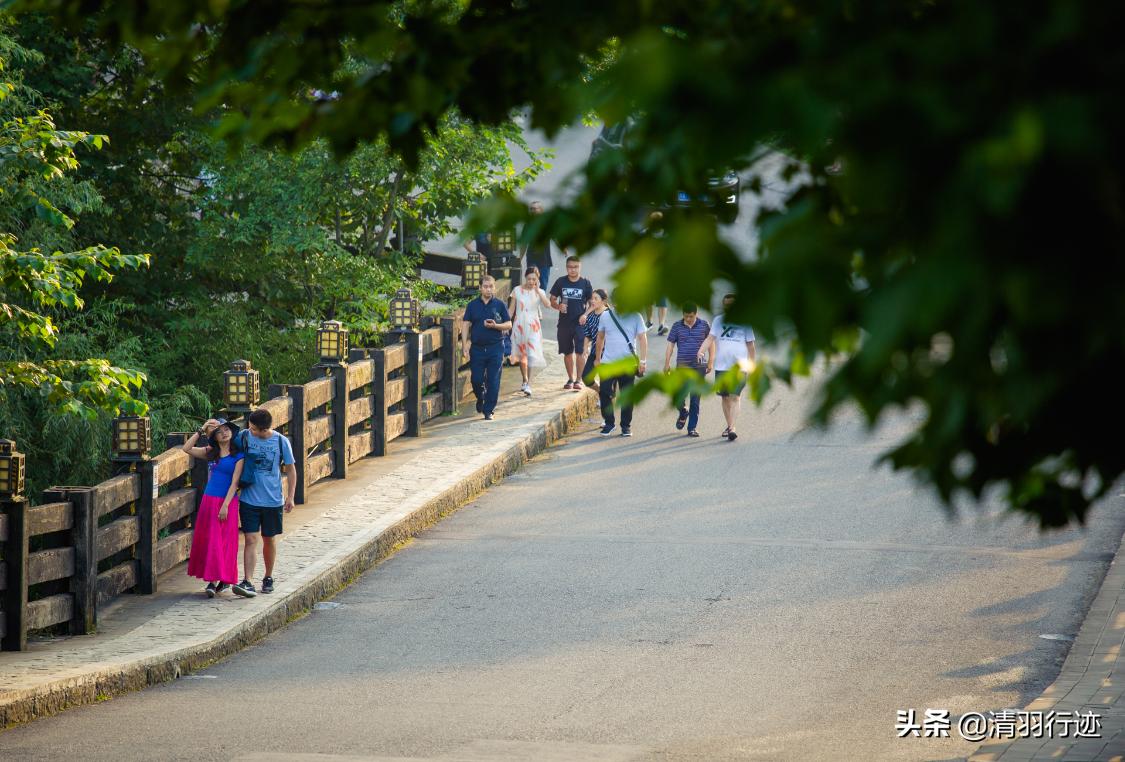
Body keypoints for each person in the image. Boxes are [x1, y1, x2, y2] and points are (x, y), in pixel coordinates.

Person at [234, 408, 297, 596]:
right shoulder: (244, 436)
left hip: (273, 500)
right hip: (248, 499)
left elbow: (291, 470)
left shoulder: (280, 441)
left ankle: (268, 577)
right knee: (250, 539)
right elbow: (224, 443)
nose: (250, 430)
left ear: (263, 429)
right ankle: (248, 581)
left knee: (269, 539)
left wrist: (291, 496)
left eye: (253, 428)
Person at [182, 418, 245, 597]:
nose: (224, 433)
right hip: (209, 501)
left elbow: (235, 483)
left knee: (224, 541)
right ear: (215, 437)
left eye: (226, 430)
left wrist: (225, 505)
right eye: (219, 431)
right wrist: (201, 430)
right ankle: (211, 581)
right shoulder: (211, 452)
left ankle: (223, 579)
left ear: (232, 433)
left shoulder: (238, 455)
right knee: (210, 540)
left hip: (227, 502)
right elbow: (186, 449)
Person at [698, 294, 757, 442]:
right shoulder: (718, 320)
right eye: (726, 304)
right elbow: (710, 338)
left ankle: (732, 428)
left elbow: (751, 345)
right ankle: (730, 425)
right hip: (721, 365)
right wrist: (701, 350)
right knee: (725, 397)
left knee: (735, 396)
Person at [594, 291, 648, 437]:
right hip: (608, 362)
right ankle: (609, 423)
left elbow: (642, 339)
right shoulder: (606, 316)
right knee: (604, 391)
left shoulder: (636, 316)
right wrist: (597, 358)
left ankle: (626, 426)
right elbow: (600, 338)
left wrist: (643, 361)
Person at [461, 275, 513, 419]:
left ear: (494, 288)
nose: (488, 289)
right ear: (480, 288)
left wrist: (496, 326)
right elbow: (465, 324)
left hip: (495, 347)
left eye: (491, 286)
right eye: (485, 286)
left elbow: (509, 324)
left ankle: (488, 410)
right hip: (477, 348)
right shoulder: (472, 305)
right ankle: (481, 397)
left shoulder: (500, 305)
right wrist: (465, 344)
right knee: (476, 379)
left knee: (493, 380)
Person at [663, 303, 711, 437]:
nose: (688, 319)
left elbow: (711, 342)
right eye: (686, 316)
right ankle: (683, 411)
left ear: (696, 314)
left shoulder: (704, 325)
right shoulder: (677, 326)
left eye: (691, 316)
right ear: (682, 315)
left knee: (695, 399)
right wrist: (667, 363)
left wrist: (711, 361)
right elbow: (670, 345)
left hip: (699, 367)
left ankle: (692, 428)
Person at [549, 256, 593, 390]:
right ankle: (570, 378)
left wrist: (585, 315)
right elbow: (552, 300)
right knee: (567, 352)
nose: (572, 270)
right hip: (564, 324)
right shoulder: (560, 282)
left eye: (575, 267)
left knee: (580, 352)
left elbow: (592, 304)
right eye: (570, 267)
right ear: (566, 267)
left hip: (580, 324)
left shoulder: (585, 283)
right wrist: (558, 306)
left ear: (580, 267)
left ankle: (579, 380)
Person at [509, 267, 551, 395]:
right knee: (522, 354)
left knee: (531, 353)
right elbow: (511, 310)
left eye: (534, 279)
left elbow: (547, 304)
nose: (531, 281)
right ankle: (524, 379)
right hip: (519, 324)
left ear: (537, 279)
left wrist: (538, 290)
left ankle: (528, 383)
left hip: (533, 325)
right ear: (525, 278)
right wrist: (506, 324)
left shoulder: (540, 291)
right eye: (529, 278)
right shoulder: (517, 290)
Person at [521, 201, 556, 289]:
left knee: (543, 285)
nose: (533, 211)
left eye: (535, 209)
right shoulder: (527, 225)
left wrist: (563, 248)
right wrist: (519, 258)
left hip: (545, 260)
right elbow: (524, 243)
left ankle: (541, 302)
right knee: (531, 283)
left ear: (541, 210)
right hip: (532, 259)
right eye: (531, 209)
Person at [580, 288, 610, 390]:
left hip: (608, 353)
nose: (592, 301)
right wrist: (585, 347)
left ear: (604, 301)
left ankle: (607, 398)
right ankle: (600, 392)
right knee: (586, 378)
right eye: (592, 298)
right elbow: (587, 334)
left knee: (606, 381)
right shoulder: (591, 316)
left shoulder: (609, 315)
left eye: (596, 298)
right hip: (594, 351)